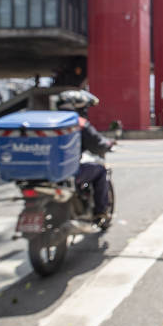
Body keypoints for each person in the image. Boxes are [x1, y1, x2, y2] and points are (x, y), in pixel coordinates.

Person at [57, 90, 114, 225]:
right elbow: (97, 144)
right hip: (69, 174)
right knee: (101, 170)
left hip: (42, 175)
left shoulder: (49, 121)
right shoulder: (78, 123)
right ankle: (100, 212)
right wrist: (109, 144)